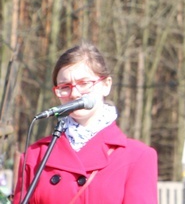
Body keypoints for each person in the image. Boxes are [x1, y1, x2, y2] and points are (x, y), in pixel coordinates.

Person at [13, 43, 157, 204]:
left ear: (106, 85)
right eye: (65, 87)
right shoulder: (35, 155)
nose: (74, 93)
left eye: (84, 83)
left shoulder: (138, 156)